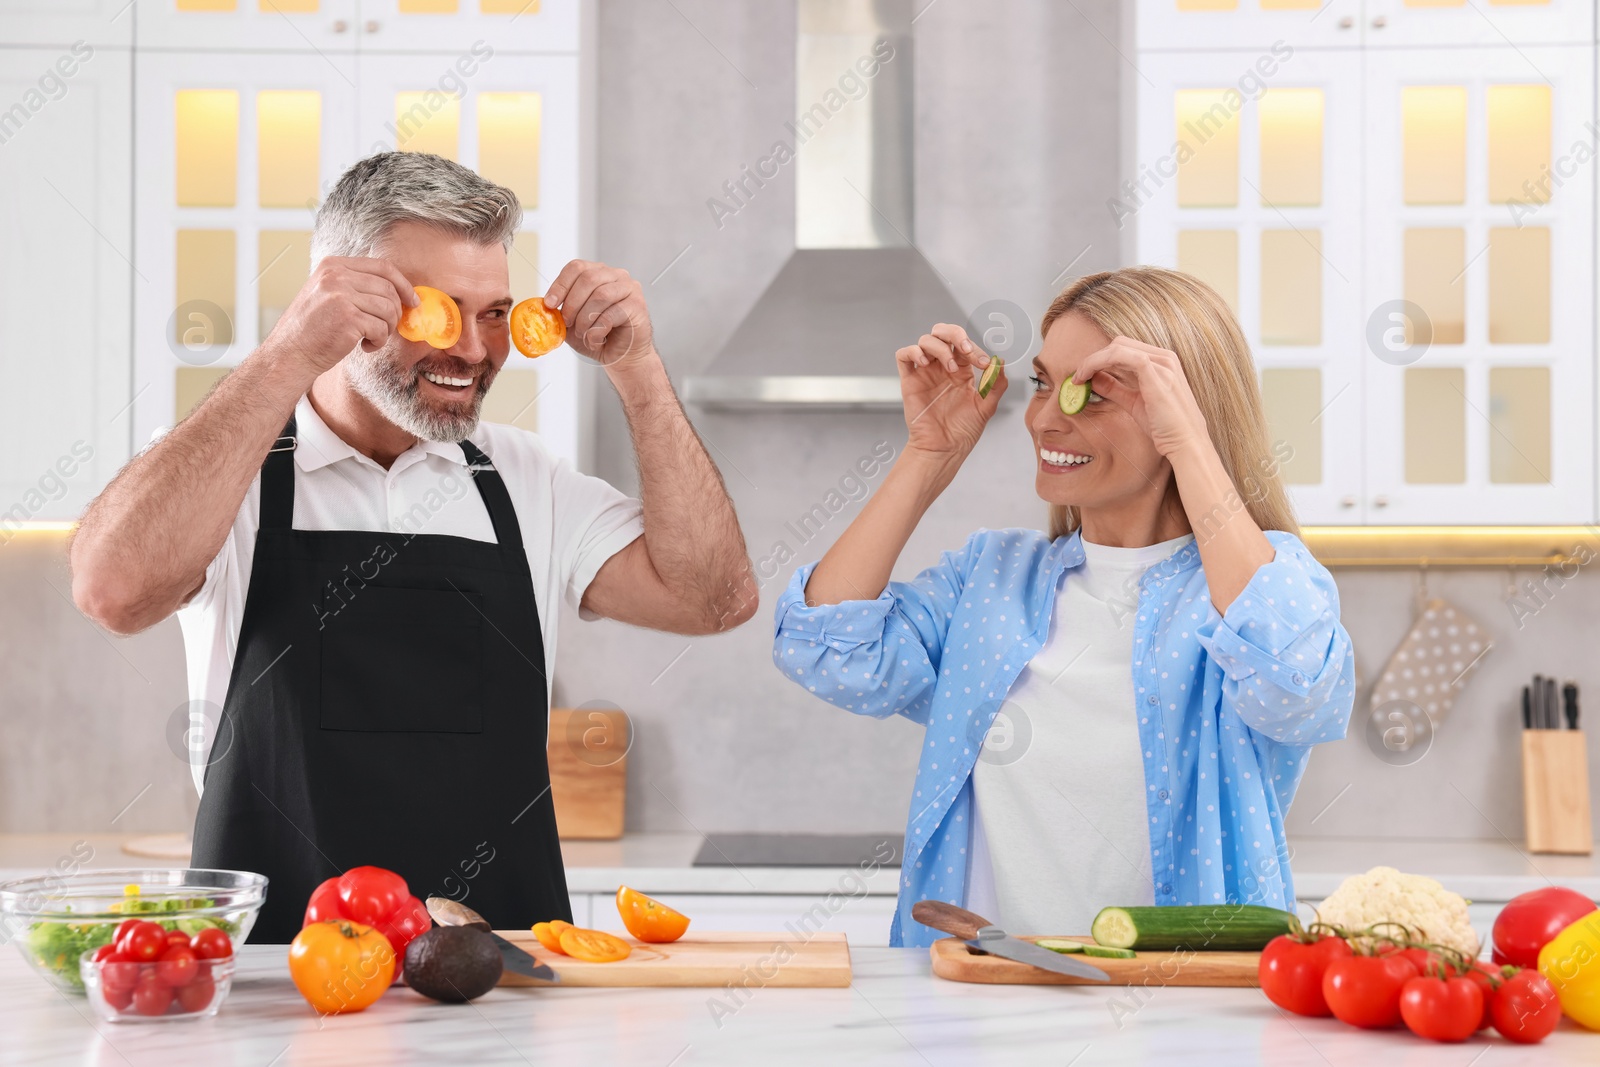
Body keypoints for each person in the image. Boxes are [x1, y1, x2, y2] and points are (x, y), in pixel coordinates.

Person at [71, 152, 756, 941]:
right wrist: (289, 352)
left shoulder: (525, 477)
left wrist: (636, 368)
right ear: (341, 295)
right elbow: (111, 591)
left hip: (502, 974)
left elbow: (716, 598)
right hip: (279, 982)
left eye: (496, 311)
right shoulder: (233, 468)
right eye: (439, 310)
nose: (473, 348)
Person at [772, 267, 1354, 947]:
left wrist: (1192, 445)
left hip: (1188, 1010)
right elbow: (823, 648)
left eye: (1093, 394)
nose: (1046, 417)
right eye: (1043, 383)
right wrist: (930, 453)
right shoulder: (992, 581)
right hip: (975, 1007)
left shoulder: (1257, 586)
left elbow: (1298, 690)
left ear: (1181, 413)